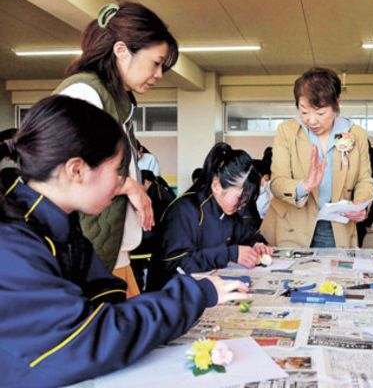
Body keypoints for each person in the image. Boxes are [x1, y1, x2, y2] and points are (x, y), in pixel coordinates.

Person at [0, 95, 249, 387]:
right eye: (117, 170)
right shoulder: (13, 243)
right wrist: (195, 294)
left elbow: (105, 295)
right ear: (76, 170)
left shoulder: (59, 225)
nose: (124, 183)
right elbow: (84, 340)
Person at [53, 2, 179, 296]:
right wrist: (128, 185)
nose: (159, 74)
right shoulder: (83, 93)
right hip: (88, 260)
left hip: (112, 255)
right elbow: (64, 171)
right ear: (121, 50)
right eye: (156, 63)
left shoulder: (119, 102)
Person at [261, 67, 373, 247]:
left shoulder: (356, 134)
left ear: (337, 104)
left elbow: (364, 180)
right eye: (304, 112)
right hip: (291, 226)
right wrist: (304, 185)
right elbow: (277, 183)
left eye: (320, 113)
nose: (311, 121)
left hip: (337, 227)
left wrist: (361, 204)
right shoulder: (287, 132)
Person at [148, 143, 272, 290]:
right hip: (173, 294)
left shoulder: (233, 209)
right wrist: (229, 254)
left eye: (247, 199)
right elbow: (176, 264)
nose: (243, 205)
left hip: (210, 289)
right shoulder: (185, 210)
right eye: (240, 198)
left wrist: (257, 244)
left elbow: (248, 234)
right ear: (216, 186)